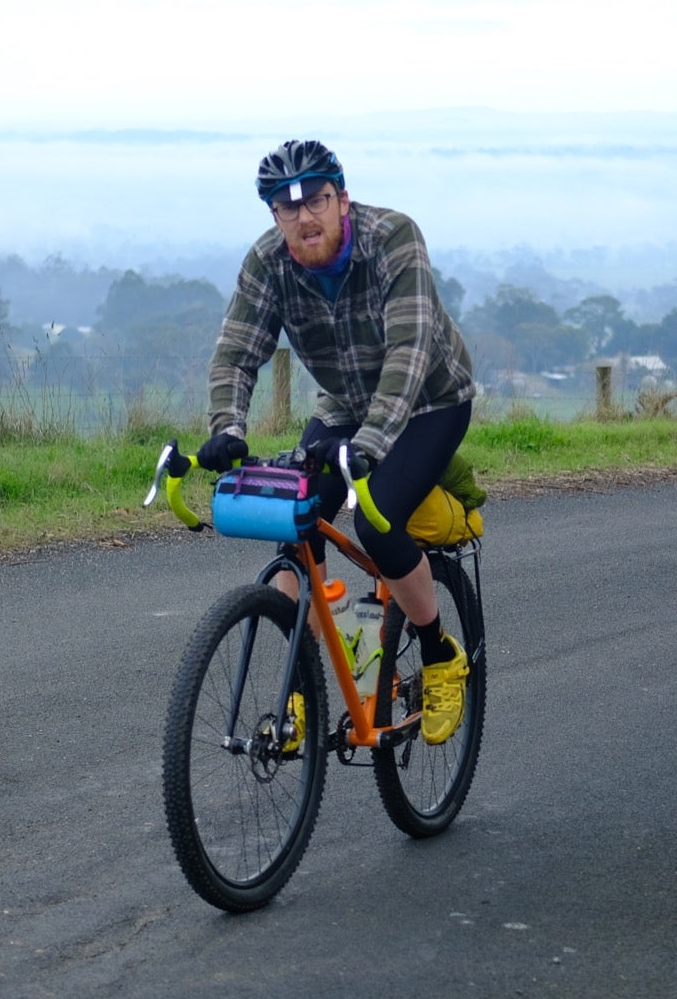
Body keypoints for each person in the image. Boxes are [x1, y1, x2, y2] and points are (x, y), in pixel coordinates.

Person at [196, 139, 477, 743]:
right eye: (286, 208)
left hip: (430, 400)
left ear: (342, 198)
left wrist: (371, 445)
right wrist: (227, 429)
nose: (305, 218)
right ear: (274, 215)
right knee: (293, 514)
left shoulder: (394, 239)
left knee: (376, 521)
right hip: (345, 405)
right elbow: (236, 355)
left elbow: (409, 352)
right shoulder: (269, 261)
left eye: (317, 200)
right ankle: (301, 689)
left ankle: (438, 652)